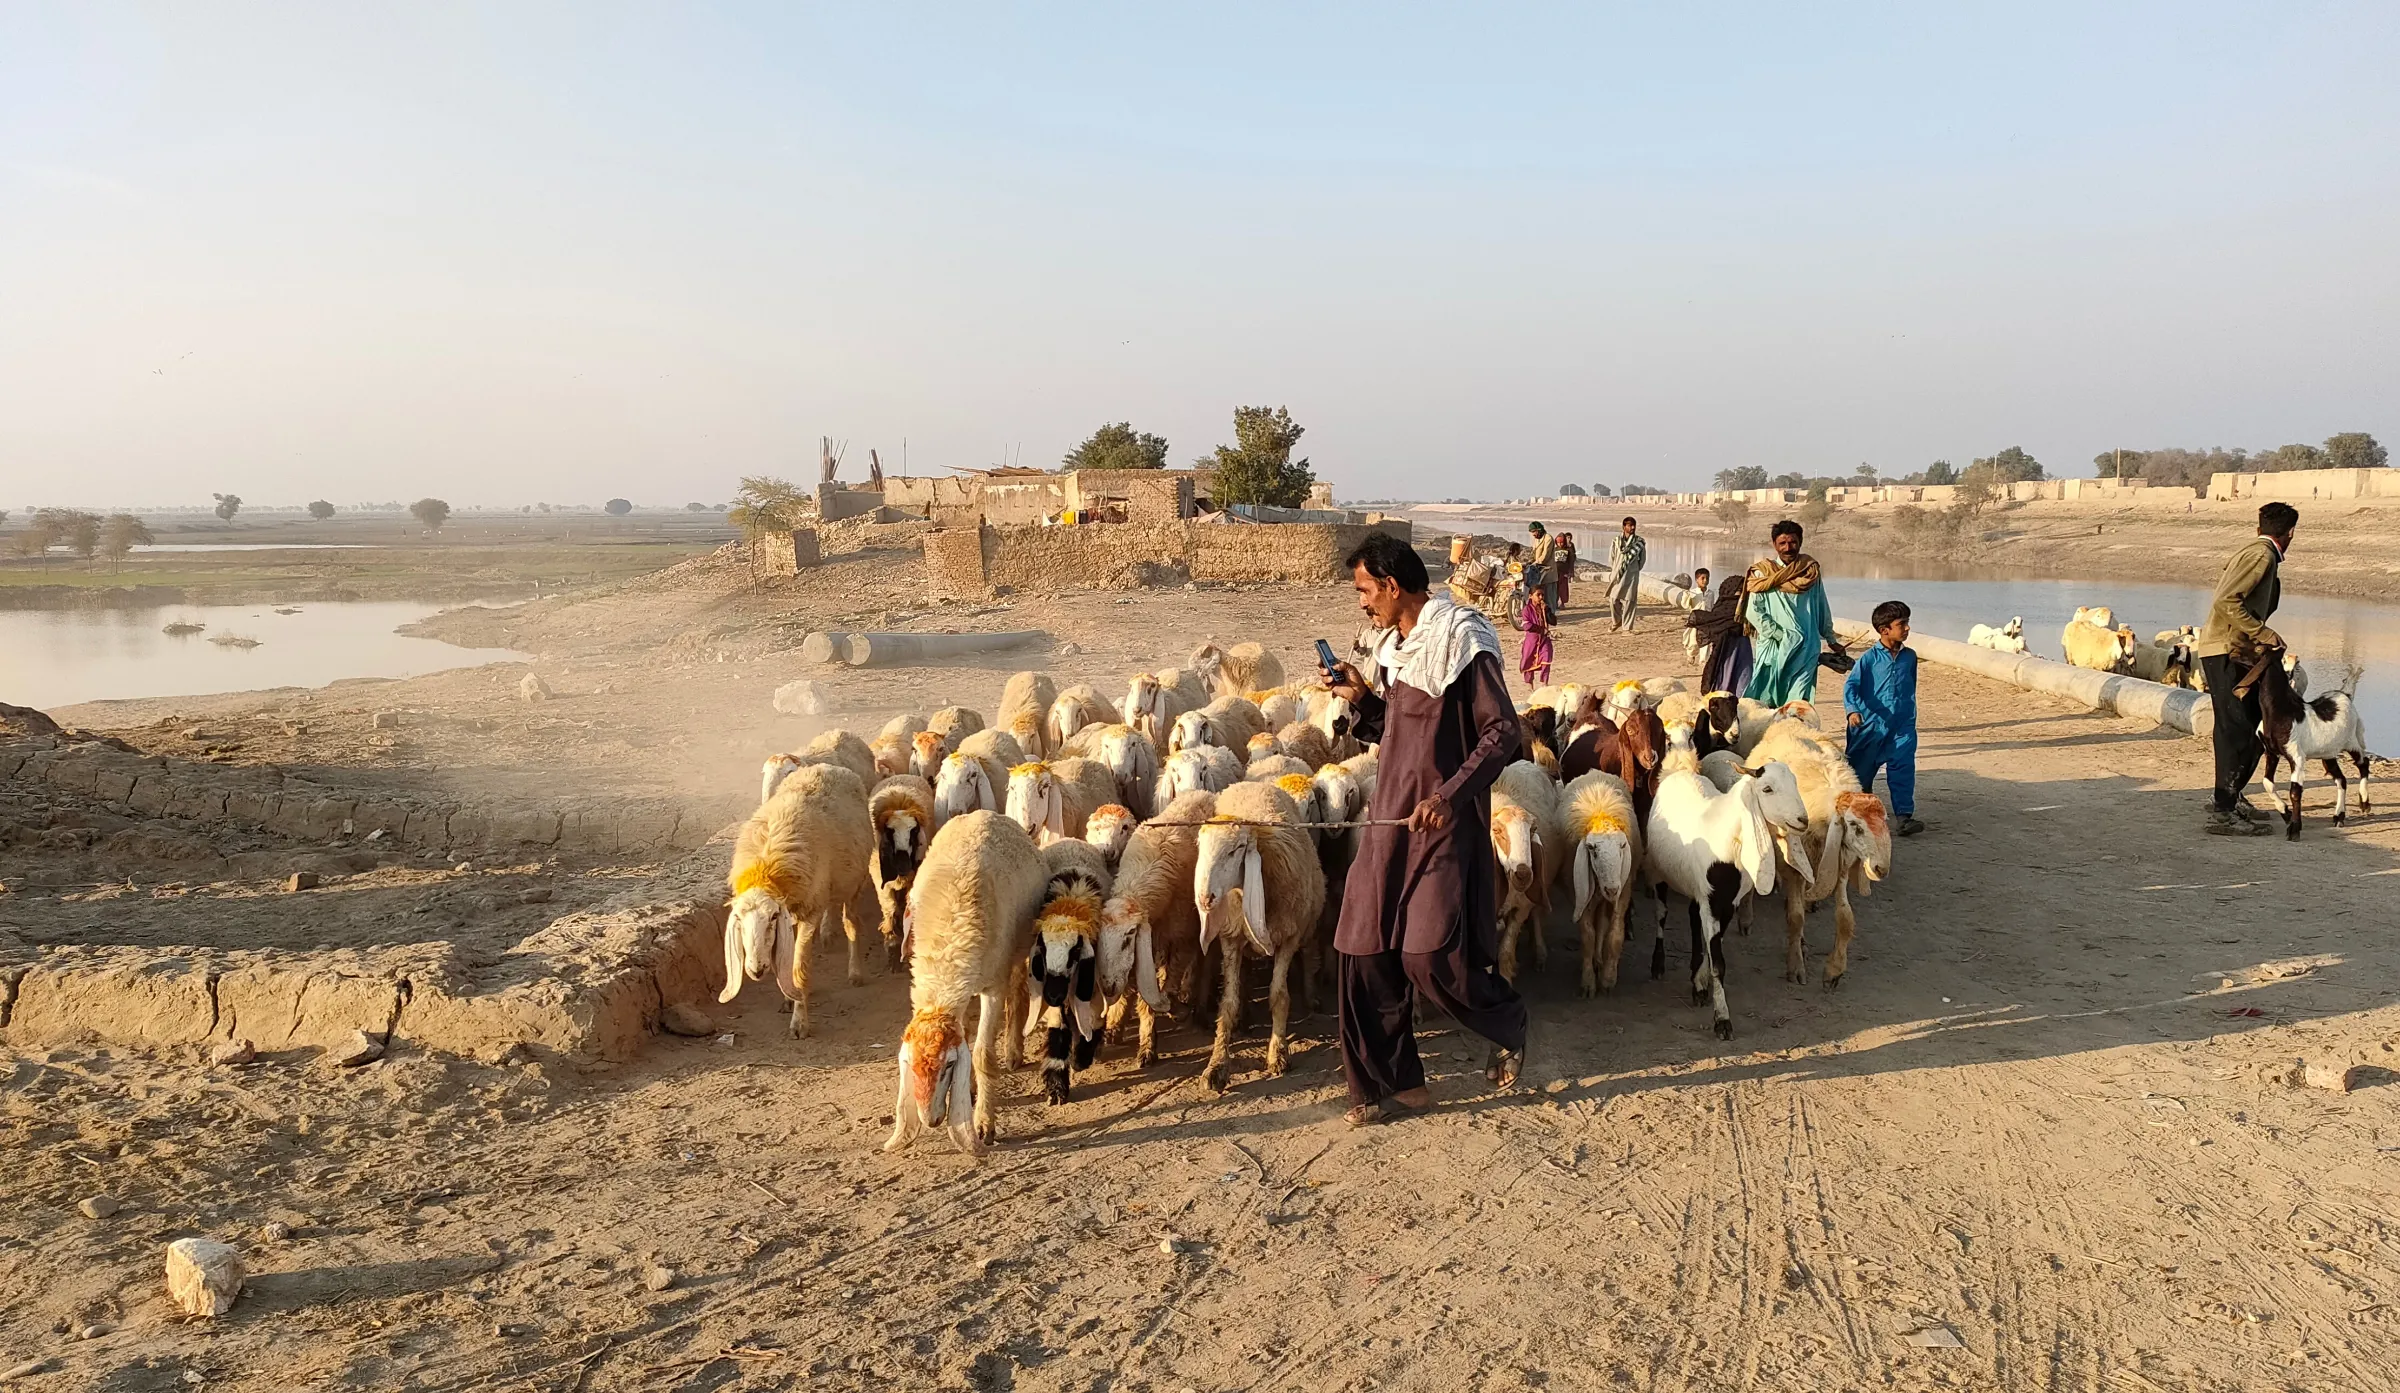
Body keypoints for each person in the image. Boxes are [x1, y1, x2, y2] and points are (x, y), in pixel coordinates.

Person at [1320, 532, 1529, 1127]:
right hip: (1391, 818)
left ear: (1390, 584)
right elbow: (1398, 732)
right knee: (1362, 949)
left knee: (1428, 956)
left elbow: (1502, 733)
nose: (1362, 603)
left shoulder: (1463, 637)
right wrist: (1360, 698)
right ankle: (1388, 1084)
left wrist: (1449, 795)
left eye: (1364, 590)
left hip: (1441, 823)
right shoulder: (1395, 646)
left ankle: (1508, 1021)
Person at [2195, 502, 2297, 836]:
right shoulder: (2261, 556)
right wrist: (2262, 632)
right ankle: (2223, 811)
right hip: (2226, 651)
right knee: (2234, 727)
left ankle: (2232, 795)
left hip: (2238, 651)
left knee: (2250, 724)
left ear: (2260, 527)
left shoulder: (2259, 552)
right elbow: (2226, 602)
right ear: (2290, 533)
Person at [1743, 520, 1844, 707]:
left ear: (1800, 542)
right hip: (1774, 647)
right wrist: (1781, 635)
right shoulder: (1763, 574)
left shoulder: (1810, 571)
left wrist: (1831, 639)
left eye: (1793, 542)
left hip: (1806, 647)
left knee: (1797, 703)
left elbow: (1821, 606)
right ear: (1774, 545)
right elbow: (1754, 612)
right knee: (1766, 701)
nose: (1788, 548)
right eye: (1783, 543)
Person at [1845, 600, 1924, 837]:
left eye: (1908, 623)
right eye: (1902, 624)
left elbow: (1911, 685)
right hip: (1869, 727)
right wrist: (1852, 711)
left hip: (1902, 726)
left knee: (1903, 768)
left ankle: (1904, 817)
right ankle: (1861, 816)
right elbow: (1851, 685)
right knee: (1861, 774)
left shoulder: (1910, 657)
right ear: (1884, 630)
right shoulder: (1868, 659)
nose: (1907, 628)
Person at [1688, 574, 1753, 696]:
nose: (1740, 596)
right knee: (1725, 682)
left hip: (1742, 649)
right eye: (1738, 591)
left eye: (1742, 591)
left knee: (1743, 681)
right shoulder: (1721, 611)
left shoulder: (1746, 609)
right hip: (1725, 651)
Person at [1606, 516, 1646, 632]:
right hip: (1617, 575)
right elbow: (1611, 558)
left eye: (1633, 525)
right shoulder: (1616, 541)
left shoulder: (1639, 542)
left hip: (1632, 575)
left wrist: (1633, 570)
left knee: (1629, 601)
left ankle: (1627, 628)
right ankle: (1616, 621)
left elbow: (1642, 560)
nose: (1632, 527)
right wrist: (1616, 569)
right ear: (1624, 527)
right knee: (1613, 599)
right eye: (1629, 525)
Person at [1519, 583, 1553, 687]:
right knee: (1528, 662)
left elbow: (1553, 621)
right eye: (1538, 595)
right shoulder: (1526, 610)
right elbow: (1527, 626)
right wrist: (1542, 630)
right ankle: (1530, 686)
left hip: (1544, 640)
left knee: (1546, 660)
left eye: (1542, 595)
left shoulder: (1544, 608)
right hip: (1531, 641)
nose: (1541, 597)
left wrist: (1547, 611)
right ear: (1530, 596)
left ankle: (1544, 684)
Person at [1526, 522, 1559, 612]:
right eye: (1532, 532)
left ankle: (1551, 613)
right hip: (1538, 571)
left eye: (1534, 532)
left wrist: (1536, 563)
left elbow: (1545, 556)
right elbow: (1534, 553)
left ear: (1539, 530)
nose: (1533, 534)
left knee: (1549, 594)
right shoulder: (1537, 540)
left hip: (1548, 570)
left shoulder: (1548, 538)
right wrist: (1529, 562)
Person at [1555, 533, 1577, 608]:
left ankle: (1563, 603)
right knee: (1555, 588)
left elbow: (1571, 560)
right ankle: (1555, 602)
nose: (1560, 544)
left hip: (1564, 572)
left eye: (1561, 542)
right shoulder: (1554, 550)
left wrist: (1570, 571)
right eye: (1558, 542)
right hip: (1555, 572)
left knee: (1563, 588)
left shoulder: (1568, 550)